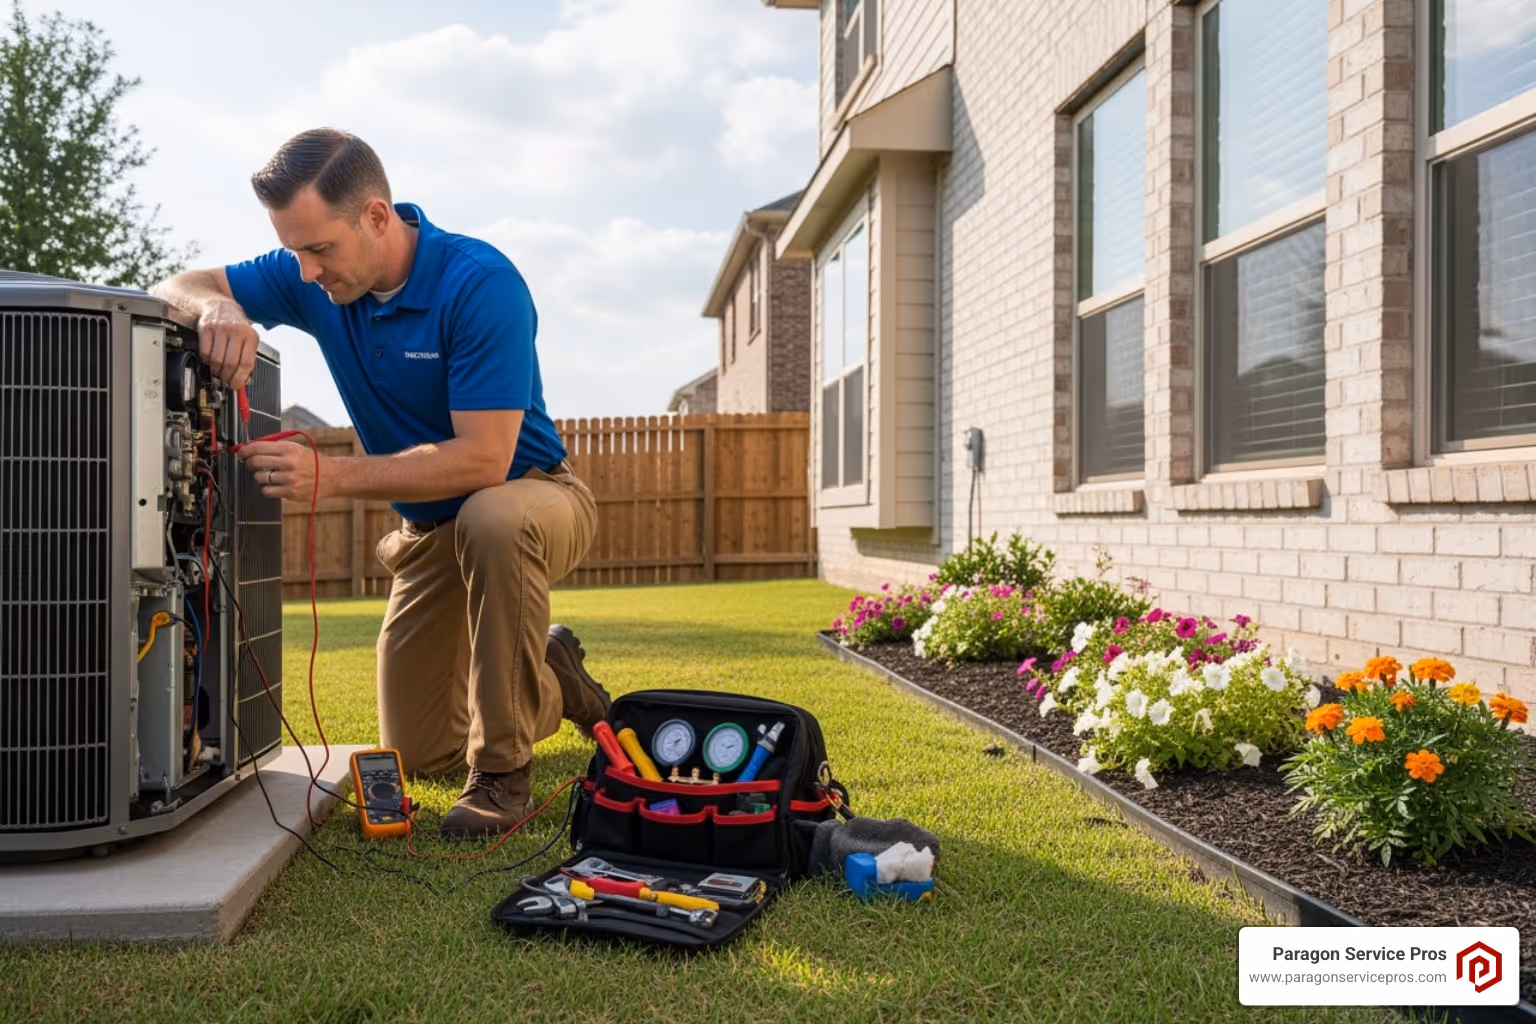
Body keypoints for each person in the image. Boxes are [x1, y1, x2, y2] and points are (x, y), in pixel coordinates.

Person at [151, 128, 610, 838]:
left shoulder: (479, 284)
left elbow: (484, 460)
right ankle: (553, 675)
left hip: (533, 497)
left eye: (319, 250)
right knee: (421, 754)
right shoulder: (318, 276)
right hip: (430, 531)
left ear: (375, 216)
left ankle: (503, 776)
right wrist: (219, 307)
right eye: (294, 250)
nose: (305, 273)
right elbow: (177, 284)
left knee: (491, 516)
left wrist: (331, 477)